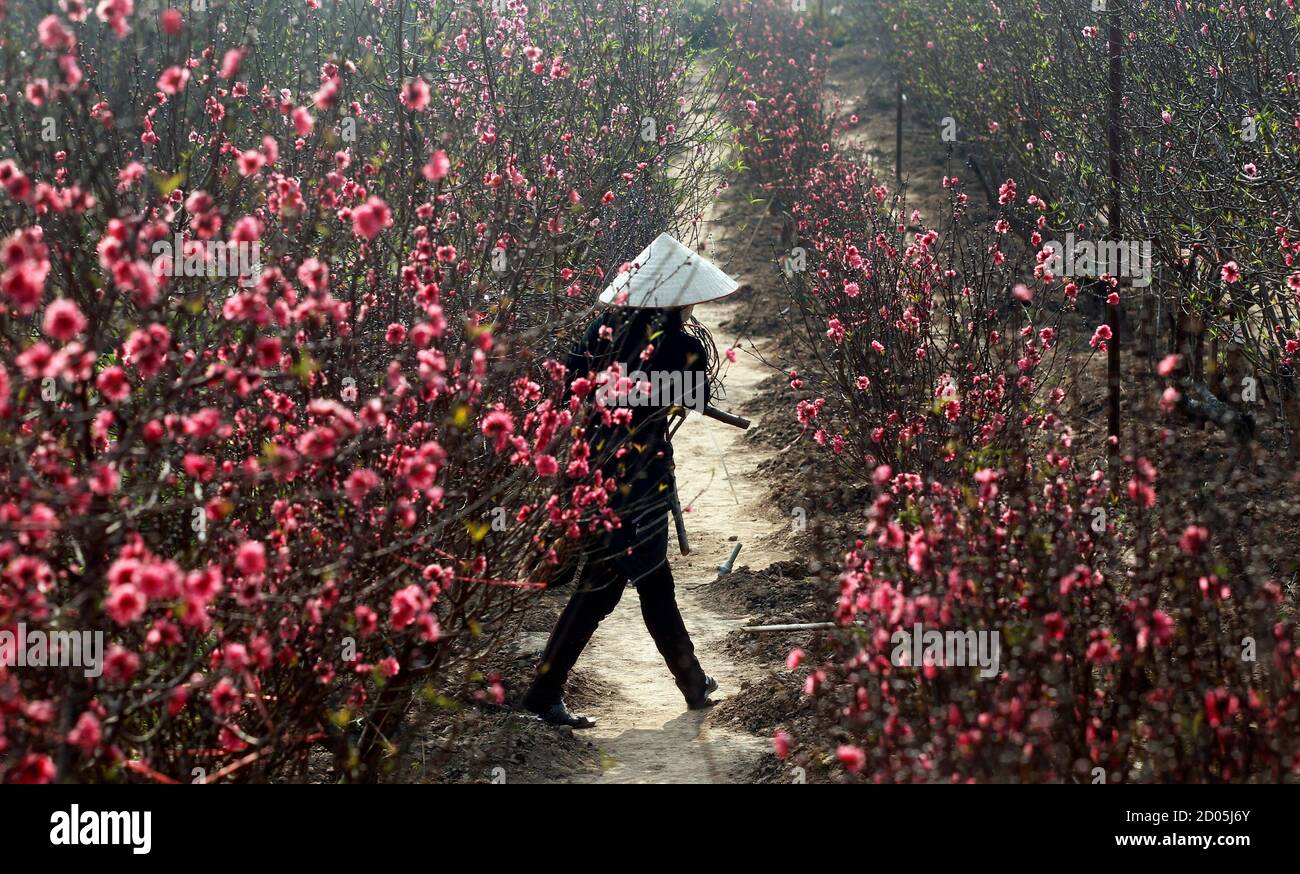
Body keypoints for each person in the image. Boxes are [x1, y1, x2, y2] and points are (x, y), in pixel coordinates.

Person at [522, 234, 739, 728]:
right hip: (642, 481)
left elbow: (569, 390)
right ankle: (544, 693)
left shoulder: (601, 331)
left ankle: (690, 682)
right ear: (678, 296)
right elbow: (696, 399)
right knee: (627, 582)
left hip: (595, 472)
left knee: (624, 582)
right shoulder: (683, 345)